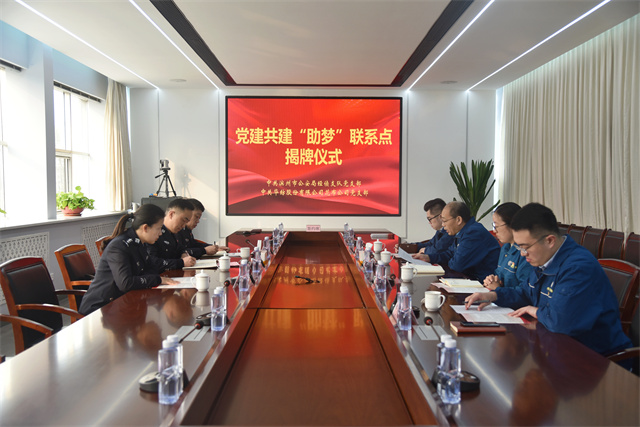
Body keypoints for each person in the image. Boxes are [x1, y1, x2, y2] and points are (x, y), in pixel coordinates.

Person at [465, 202, 631, 356]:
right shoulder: (544, 258)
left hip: (596, 358)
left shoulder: (578, 267)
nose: (522, 254)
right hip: (557, 348)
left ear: (549, 240)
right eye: (520, 247)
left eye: (525, 247)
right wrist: (493, 295)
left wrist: (535, 311)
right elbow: (526, 292)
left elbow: (561, 321)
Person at [79, 204, 179, 315]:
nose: (160, 233)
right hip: (100, 308)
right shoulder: (119, 246)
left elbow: (151, 268)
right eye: (159, 228)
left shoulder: (139, 243)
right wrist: (158, 280)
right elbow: (125, 283)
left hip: (121, 302)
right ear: (145, 227)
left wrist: (158, 277)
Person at [423, 201, 500, 281]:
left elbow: (457, 265)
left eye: (445, 221)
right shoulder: (462, 231)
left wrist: (452, 259)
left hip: (483, 282)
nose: (443, 225)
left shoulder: (473, 233)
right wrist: (429, 258)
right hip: (469, 278)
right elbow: (449, 254)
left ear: (458, 220)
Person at [483, 202, 532, 290]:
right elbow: (498, 275)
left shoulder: (525, 252)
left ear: (512, 225)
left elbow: (525, 291)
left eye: (496, 226)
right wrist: (491, 280)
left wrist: (498, 289)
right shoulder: (505, 247)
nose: (494, 231)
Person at [147, 198, 197, 269]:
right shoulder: (154, 232)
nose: (183, 226)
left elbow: (181, 248)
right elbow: (152, 262)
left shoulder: (175, 232)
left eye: (186, 222)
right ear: (171, 214)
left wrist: (184, 254)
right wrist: (181, 262)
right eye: (183, 220)